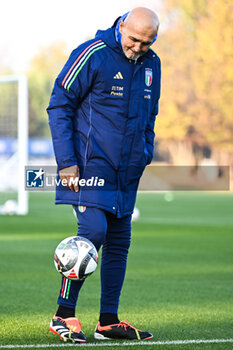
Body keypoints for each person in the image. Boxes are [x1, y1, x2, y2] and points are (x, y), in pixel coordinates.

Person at [47, 7, 161, 343]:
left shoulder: (152, 64)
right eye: (134, 39)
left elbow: (150, 113)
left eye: (147, 42)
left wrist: (145, 152)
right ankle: (63, 315)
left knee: (120, 243)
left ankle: (107, 321)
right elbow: (59, 105)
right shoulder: (92, 54)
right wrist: (67, 162)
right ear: (121, 26)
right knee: (92, 232)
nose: (138, 47)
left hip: (126, 172)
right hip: (87, 167)